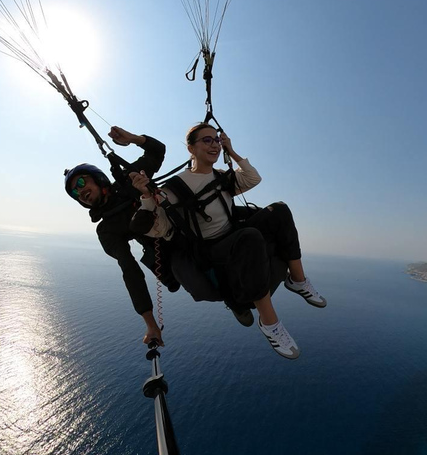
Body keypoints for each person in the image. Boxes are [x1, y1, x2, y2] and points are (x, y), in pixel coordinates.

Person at [130, 123, 326, 359]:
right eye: (206, 140)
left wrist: (230, 151)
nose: (213, 145)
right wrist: (145, 197)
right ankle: (270, 322)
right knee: (250, 236)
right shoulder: (174, 187)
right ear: (191, 148)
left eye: (216, 140)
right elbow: (153, 227)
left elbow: (253, 178)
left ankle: (298, 280)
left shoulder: (221, 177)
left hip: (233, 235)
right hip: (210, 249)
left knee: (280, 210)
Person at [64, 126, 169, 347]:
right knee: (182, 278)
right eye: (75, 193)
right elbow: (129, 270)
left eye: (81, 183)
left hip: (183, 227)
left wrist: (132, 138)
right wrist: (150, 324)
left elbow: (157, 152)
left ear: (98, 180)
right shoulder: (106, 230)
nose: (80, 192)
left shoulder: (128, 181)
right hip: (169, 253)